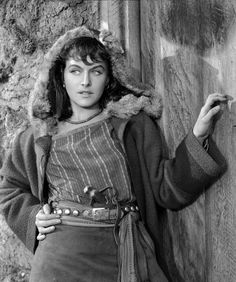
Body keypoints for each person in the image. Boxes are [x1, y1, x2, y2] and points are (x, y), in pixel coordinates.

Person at [0, 26, 227, 282]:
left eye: (96, 71)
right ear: (62, 76)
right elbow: (9, 189)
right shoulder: (39, 137)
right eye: (75, 71)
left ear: (108, 77)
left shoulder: (131, 126)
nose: (85, 82)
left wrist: (198, 136)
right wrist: (33, 217)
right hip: (60, 260)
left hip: (124, 251)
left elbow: (166, 189)